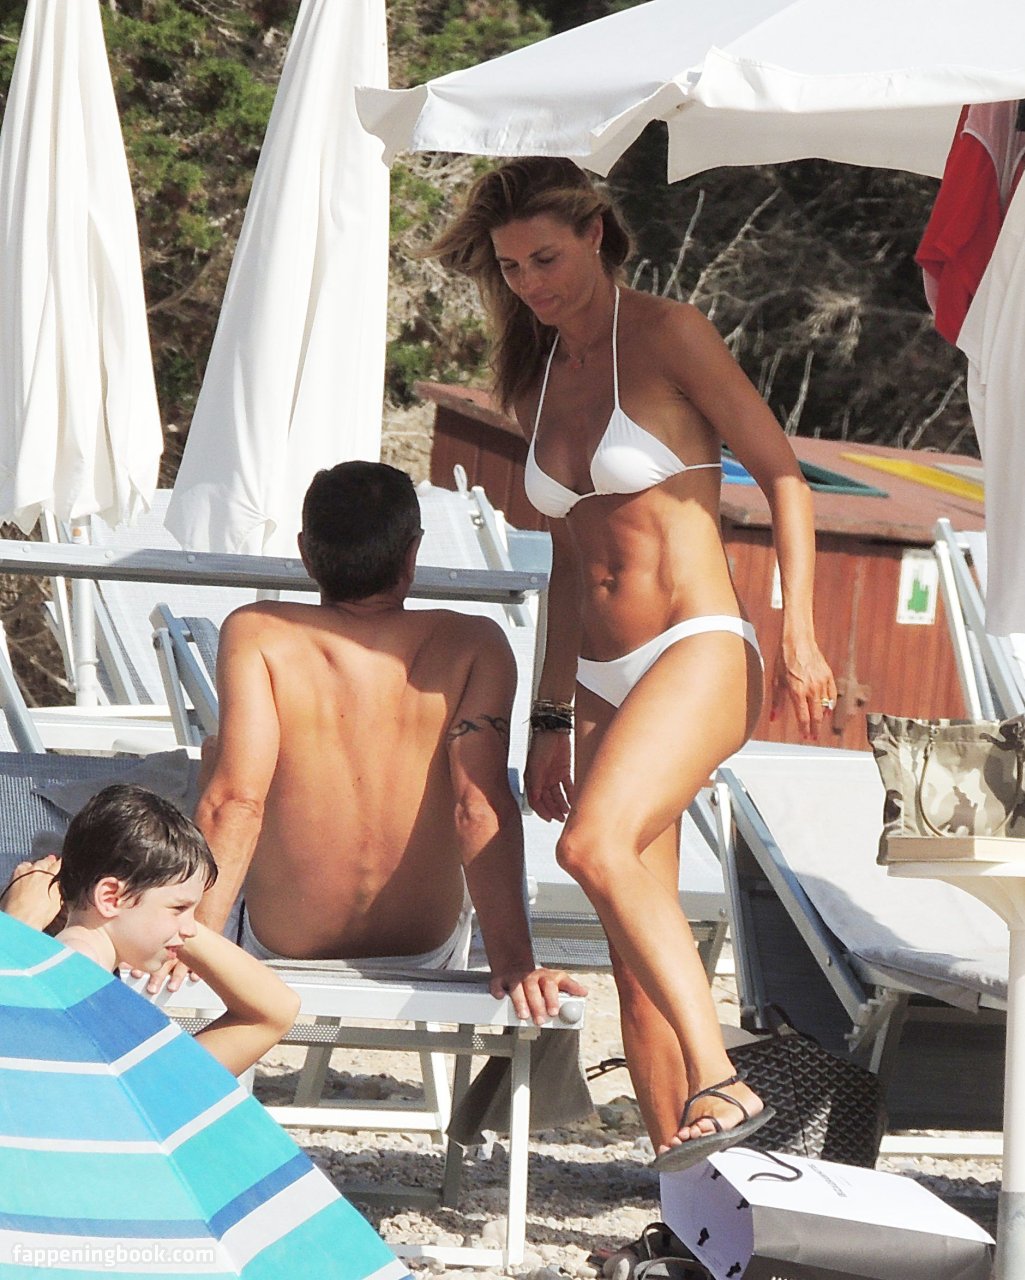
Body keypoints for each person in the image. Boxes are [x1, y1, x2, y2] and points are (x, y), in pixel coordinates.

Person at [430, 157, 836, 1170]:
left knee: (591, 846)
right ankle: (686, 1208)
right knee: (631, 959)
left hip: (697, 644)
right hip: (598, 674)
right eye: (511, 267)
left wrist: (798, 630)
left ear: (597, 233)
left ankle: (721, 1076)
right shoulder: (534, 376)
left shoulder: (667, 334)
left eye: (546, 258)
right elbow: (570, 564)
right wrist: (548, 716)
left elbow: (782, 475)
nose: (530, 283)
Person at [186, 461, 584, 1025]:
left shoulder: (258, 632)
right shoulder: (475, 643)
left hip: (282, 944)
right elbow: (478, 806)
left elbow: (236, 803)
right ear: (412, 552)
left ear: (306, 552)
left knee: (217, 760)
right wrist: (517, 964)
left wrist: (187, 944)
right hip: (422, 948)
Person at [54, 783, 299, 1077]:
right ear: (111, 898)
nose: (191, 930)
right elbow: (274, 1012)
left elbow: (277, 1009)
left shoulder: (62, 969)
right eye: (179, 908)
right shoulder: (84, 987)